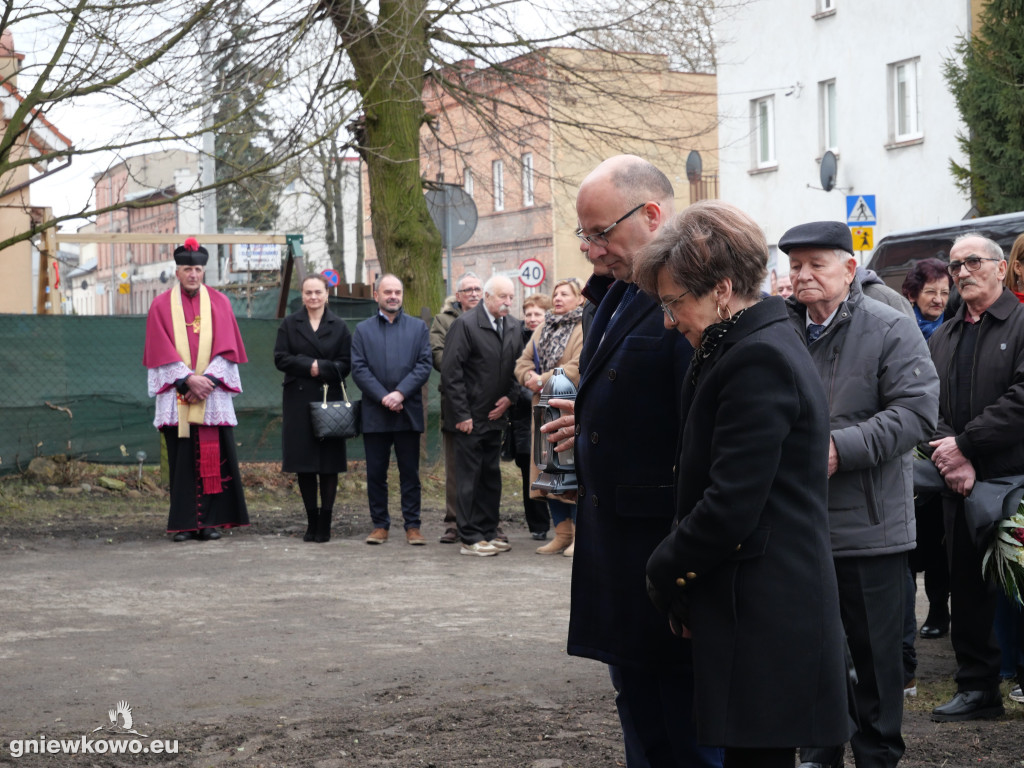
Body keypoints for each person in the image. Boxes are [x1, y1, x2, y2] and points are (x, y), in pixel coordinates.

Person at [638, 201, 850, 768]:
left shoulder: (756, 357)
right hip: (753, 601)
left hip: (767, 609)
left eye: (673, 301)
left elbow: (732, 503)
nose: (668, 318)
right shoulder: (739, 345)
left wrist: (663, 567)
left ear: (722, 289)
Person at [542, 155, 721, 768]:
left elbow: (700, 431)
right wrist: (592, 421)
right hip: (620, 554)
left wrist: (688, 572)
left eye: (600, 233)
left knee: (687, 729)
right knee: (642, 720)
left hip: (664, 552)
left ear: (651, 215)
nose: (591, 249)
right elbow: (635, 393)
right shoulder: (618, 293)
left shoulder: (689, 297)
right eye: (583, 235)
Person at [781, 221, 939, 768]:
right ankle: (817, 755)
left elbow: (916, 414)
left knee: (875, 665)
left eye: (815, 264)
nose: (802, 276)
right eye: (795, 265)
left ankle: (877, 758)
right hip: (800, 528)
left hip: (871, 531)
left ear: (849, 269)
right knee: (813, 659)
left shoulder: (890, 327)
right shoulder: (783, 331)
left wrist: (838, 449)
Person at [927, 232, 1024, 721]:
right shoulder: (945, 334)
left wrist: (965, 446)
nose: (961, 272)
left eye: (972, 262)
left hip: (1014, 483)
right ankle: (978, 688)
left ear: (1001, 269)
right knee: (966, 588)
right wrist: (950, 455)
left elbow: (1022, 399)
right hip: (957, 486)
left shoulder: (1023, 323)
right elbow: (928, 405)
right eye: (954, 265)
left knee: (1017, 589)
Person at [144, 237, 250, 542]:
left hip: (211, 394)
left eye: (199, 269)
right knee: (182, 459)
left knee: (214, 458)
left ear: (204, 271)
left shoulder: (220, 302)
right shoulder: (160, 305)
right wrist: (187, 380)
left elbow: (228, 347)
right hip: (177, 394)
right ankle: (184, 524)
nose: (194, 274)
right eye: (188, 269)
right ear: (177, 271)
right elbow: (158, 349)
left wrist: (207, 382)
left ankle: (210, 523)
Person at [440, 274, 524, 556]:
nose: (508, 302)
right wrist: (462, 415)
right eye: (503, 297)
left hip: (495, 416)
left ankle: (488, 531)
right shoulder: (464, 325)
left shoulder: (512, 326)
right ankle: (469, 537)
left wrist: (509, 399)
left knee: (491, 477)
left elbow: (518, 365)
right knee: (468, 479)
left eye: (511, 297)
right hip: (469, 418)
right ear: (487, 297)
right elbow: (452, 373)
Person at [350, 274, 432, 546]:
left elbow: (423, 365)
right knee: (376, 473)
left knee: (410, 473)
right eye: (388, 292)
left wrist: (399, 393)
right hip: (375, 413)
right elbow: (359, 368)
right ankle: (380, 525)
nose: (393, 296)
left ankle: (413, 526)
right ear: (376, 295)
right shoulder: (362, 330)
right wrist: (384, 396)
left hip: (407, 411)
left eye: (397, 291)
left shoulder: (418, 328)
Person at [274, 274, 352, 543]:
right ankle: (312, 521)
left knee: (328, 464)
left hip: (329, 401)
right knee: (304, 464)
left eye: (318, 292)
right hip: (298, 402)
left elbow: (346, 364)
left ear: (327, 294)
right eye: (308, 292)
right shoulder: (289, 323)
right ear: (302, 295)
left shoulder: (339, 326)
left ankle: (326, 522)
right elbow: (280, 359)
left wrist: (322, 369)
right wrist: (311, 366)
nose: (313, 297)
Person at [901, 258, 954, 649]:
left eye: (943, 292)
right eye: (930, 292)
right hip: (910, 448)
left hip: (939, 446)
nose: (938, 299)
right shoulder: (902, 330)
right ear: (913, 295)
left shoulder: (951, 332)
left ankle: (938, 611)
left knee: (936, 539)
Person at [514, 278, 585, 556]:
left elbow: (579, 364)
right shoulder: (544, 327)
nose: (557, 298)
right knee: (548, 472)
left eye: (564, 294)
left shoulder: (584, 327)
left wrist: (542, 379)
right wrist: (528, 378)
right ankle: (562, 533)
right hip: (542, 409)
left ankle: (580, 534)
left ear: (579, 299)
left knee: (572, 471)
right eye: (555, 294)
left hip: (570, 409)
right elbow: (522, 362)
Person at [430, 272, 484, 544]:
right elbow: (439, 358)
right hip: (454, 400)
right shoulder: (443, 321)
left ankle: (486, 521)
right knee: (455, 466)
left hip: (488, 403)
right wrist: (477, 367)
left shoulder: (492, 319)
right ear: (458, 295)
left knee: (487, 466)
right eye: (468, 289)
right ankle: (453, 521)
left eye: (477, 289)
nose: (474, 293)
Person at [509, 292, 553, 541]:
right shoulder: (518, 341)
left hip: (549, 411)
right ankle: (538, 525)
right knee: (530, 472)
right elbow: (514, 372)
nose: (532, 318)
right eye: (528, 314)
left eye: (538, 313)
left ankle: (563, 523)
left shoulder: (556, 337)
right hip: (524, 419)